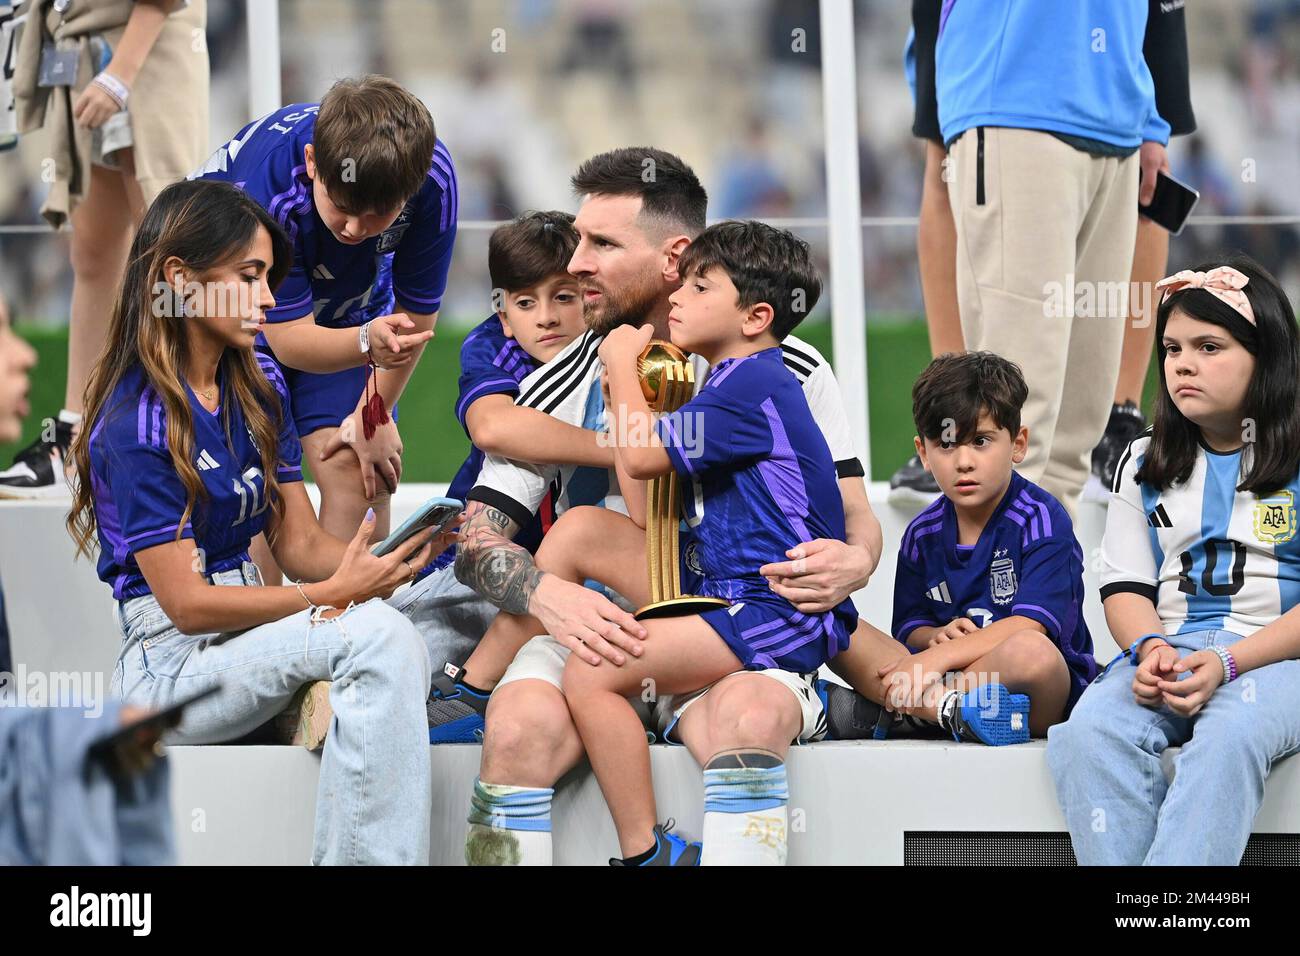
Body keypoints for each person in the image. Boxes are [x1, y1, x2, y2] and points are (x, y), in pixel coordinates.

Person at [437, 148, 879, 755]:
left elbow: (855, 513)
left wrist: (856, 560)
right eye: (578, 240)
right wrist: (547, 595)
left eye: (602, 245)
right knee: (520, 732)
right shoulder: (565, 378)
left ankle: (918, 698)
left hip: (735, 613)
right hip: (592, 627)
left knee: (765, 677)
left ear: (673, 258)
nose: (576, 262)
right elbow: (474, 543)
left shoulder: (790, 369)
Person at [66, 179, 456, 865]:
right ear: (180, 281)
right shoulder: (133, 424)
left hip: (259, 630)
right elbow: (186, 607)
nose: (270, 300)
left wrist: (388, 567)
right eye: (248, 278)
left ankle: (329, 706)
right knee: (377, 639)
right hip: (173, 668)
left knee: (451, 602)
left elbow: (300, 543)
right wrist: (336, 596)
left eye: (269, 277)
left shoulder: (259, 384)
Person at [553, 220, 855, 866]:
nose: (678, 299)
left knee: (590, 673)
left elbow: (635, 456)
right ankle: (839, 711)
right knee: (692, 713)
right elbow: (648, 489)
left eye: (700, 285)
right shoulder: (728, 383)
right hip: (734, 606)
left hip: (772, 608)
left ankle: (646, 853)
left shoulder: (751, 385)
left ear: (757, 316)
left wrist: (616, 362)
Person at [1049, 255, 1300, 865]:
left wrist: (1228, 662)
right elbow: (1127, 588)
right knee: (1089, 733)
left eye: (1209, 346)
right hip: (1173, 652)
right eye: (1172, 348)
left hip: (1277, 655)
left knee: (1229, 733)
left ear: (1265, 356)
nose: (1184, 363)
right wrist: (1151, 650)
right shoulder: (1143, 460)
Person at [193, 74, 458, 583]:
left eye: (379, 215)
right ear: (313, 162)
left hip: (349, 309)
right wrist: (367, 343)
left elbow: (414, 322)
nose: (357, 231)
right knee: (261, 490)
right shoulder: (265, 188)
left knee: (360, 471)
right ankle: (268, 642)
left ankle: (345, 651)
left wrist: (372, 413)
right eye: (343, 208)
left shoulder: (434, 179)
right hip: (234, 314)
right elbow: (288, 341)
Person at [936, 0, 1168, 516]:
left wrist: (1148, 118)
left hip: (1118, 117)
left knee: (1075, 432)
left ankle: (1046, 591)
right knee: (1014, 416)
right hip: (1015, 100)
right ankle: (995, 593)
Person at [404, 210, 609, 735]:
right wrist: (617, 449)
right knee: (404, 660)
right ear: (503, 315)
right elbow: (493, 428)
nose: (546, 317)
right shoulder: (493, 347)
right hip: (466, 567)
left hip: (565, 572)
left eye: (564, 296)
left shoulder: (616, 354)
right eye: (524, 302)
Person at [2, 0, 209, 497]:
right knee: (93, 254)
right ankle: (75, 436)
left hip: (148, 51)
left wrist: (120, 74)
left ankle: (194, 433)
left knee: (170, 256)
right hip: (87, 49)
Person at [877, 352, 1097, 743]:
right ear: (923, 453)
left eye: (980, 441)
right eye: (946, 446)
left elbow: (1032, 625)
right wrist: (934, 637)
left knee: (1032, 651)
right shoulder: (921, 535)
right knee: (855, 635)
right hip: (954, 681)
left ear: (1018, 443)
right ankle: (950, 711)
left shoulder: (1042, 519)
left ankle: (916, 711)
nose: (963, 461)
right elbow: (908, 627)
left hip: (1043, 696)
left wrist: (936, 658)